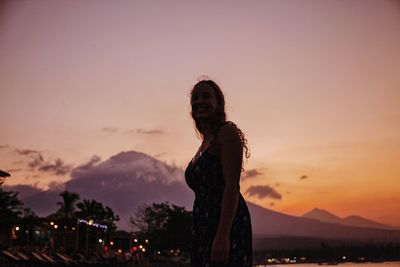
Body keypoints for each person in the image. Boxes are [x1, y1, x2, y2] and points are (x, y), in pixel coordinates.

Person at [185, 79, 252, 267]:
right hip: (203, 225)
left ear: (219, 103)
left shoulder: (226, 132)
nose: (199, 101)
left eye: (206, 96)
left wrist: (223, 235)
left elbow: (232, 185)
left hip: (224, 223)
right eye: (195, 98)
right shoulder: (206, 142)